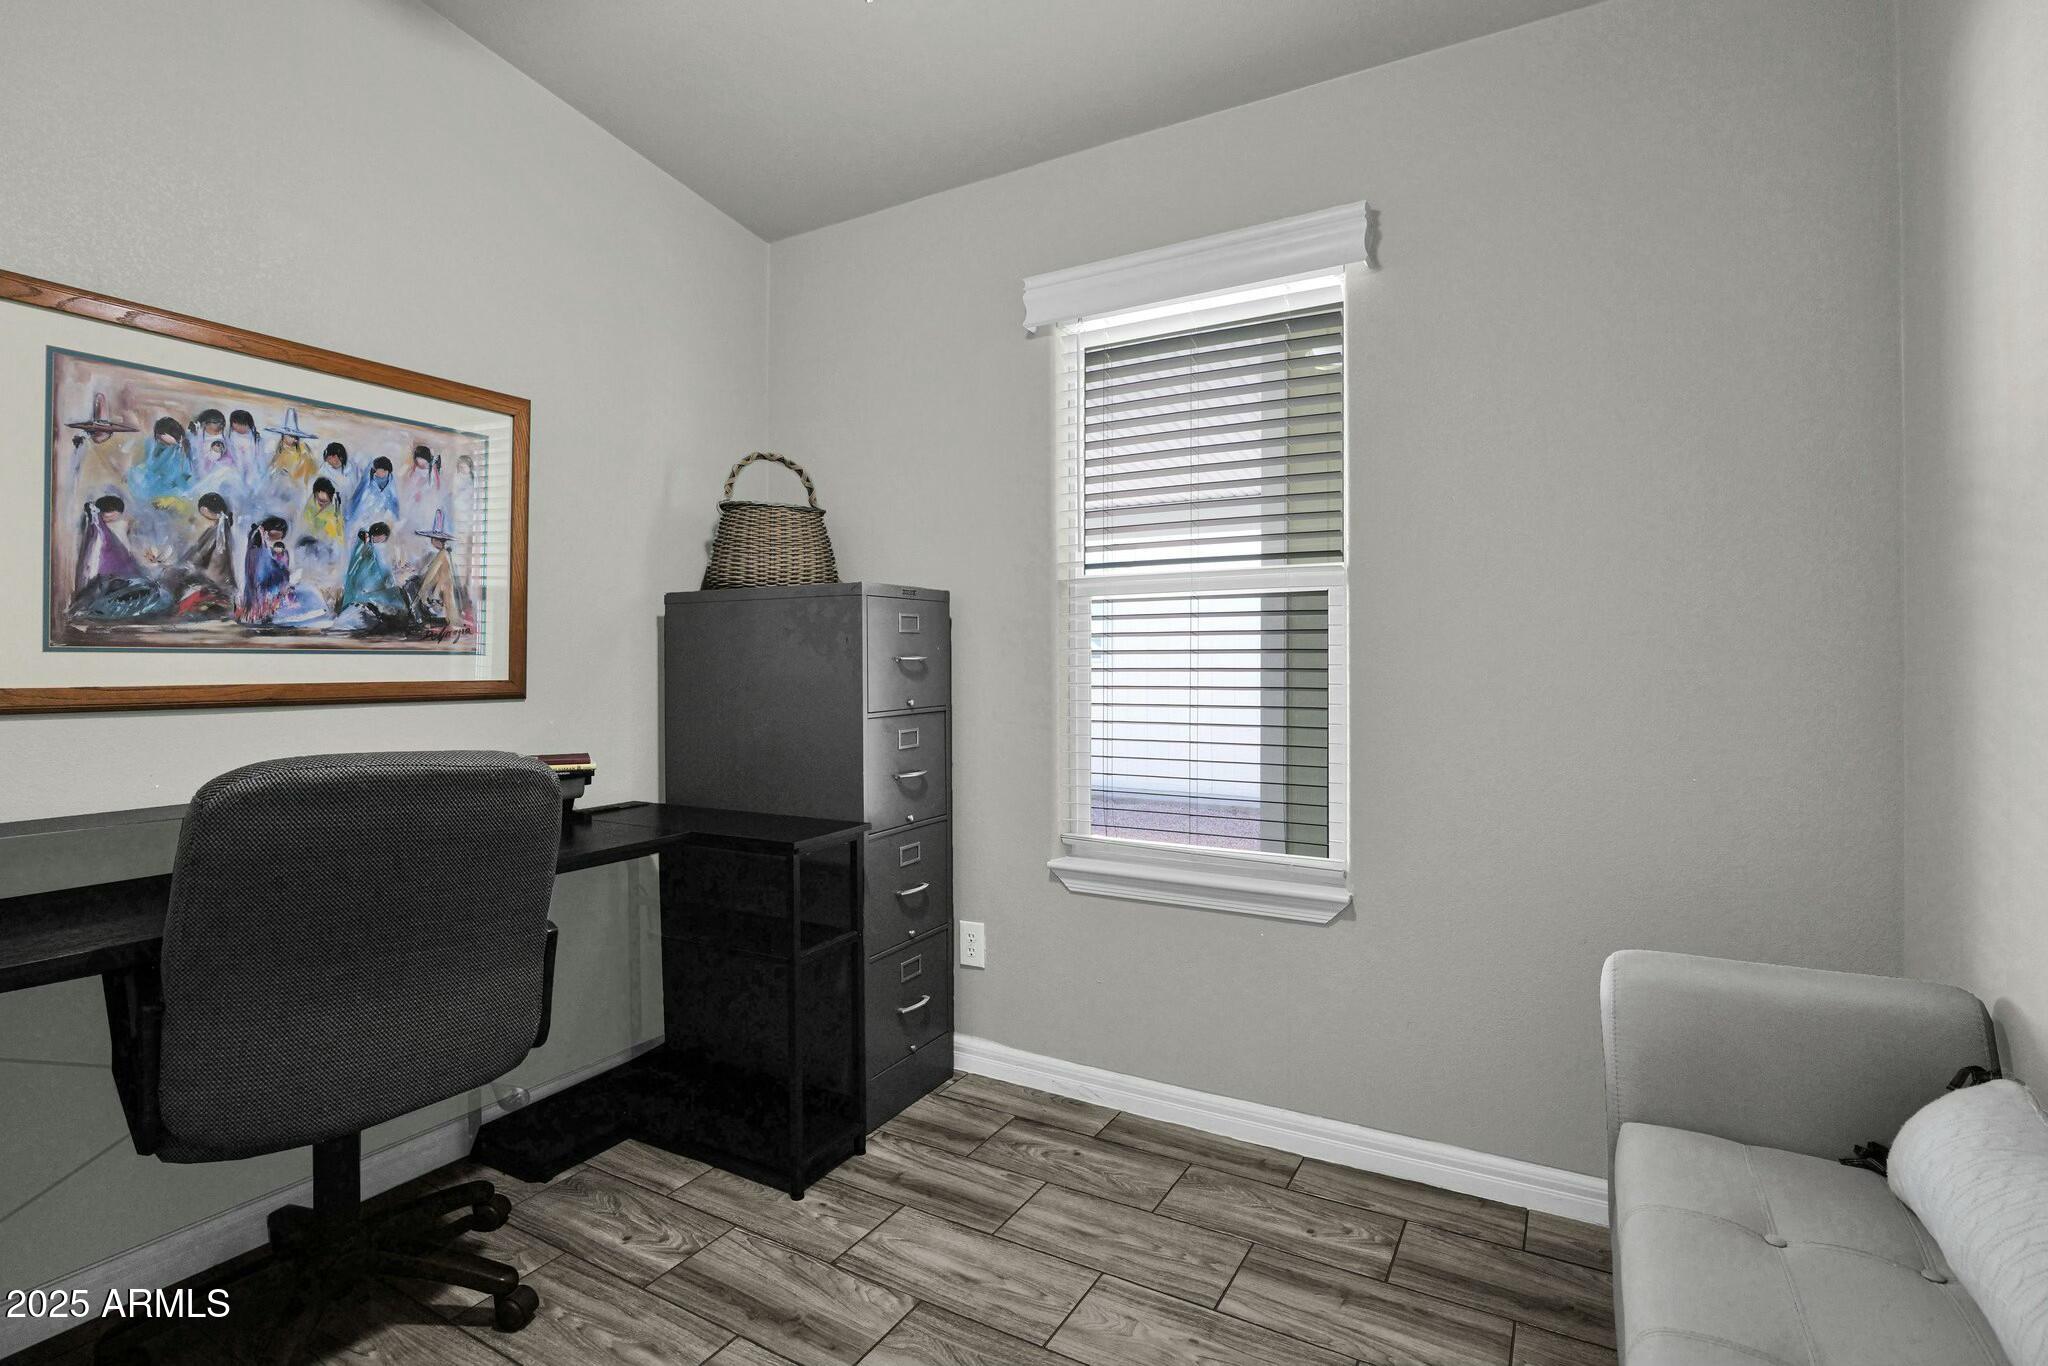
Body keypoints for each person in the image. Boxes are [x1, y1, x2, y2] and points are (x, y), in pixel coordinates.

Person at [70, 495, 172, 621]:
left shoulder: (118, 528)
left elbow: (133, 555)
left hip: (124, 580)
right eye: (108, 516)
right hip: (111, 582)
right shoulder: (99, 529)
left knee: (155, 592)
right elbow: (93, 563)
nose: (112, 519)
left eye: (115, 516)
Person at [170, 492, 238, 616]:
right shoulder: (219, 529)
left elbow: (200, 554)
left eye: (202, 511)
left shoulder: (219, 531)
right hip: (219, 583)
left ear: (206, 510)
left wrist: (184, 566)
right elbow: (196, 550)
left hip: (215, 584)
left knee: (177, 582)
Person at [403, 509, 468, 636]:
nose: (431, 541)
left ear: (437, 540)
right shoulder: (444, 554)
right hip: (440, 588)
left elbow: (432, 575)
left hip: (440, 590)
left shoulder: (442, 555)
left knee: (411, 585)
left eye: (432, 539)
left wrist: (423, 591)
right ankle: (420, 618)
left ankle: (419, 620)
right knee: (413, 583)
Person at [338, 521, 407, 621]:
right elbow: (377, 568)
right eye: (382, 538)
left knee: (391, 592)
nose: (382, 540)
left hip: (363, 587)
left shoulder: (369, 545)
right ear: (377, 535)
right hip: (362, 591)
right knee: (393, 596)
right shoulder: (367, 546)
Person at [127, 416, 195, 517]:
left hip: (173, 487)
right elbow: (150, 464)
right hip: (154, 482)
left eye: (164, 440)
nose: (160, 442)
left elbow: (183, 477)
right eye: (159, 438)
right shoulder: (153, 444)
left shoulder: (181, 452)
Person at [397, 443, 445, 530]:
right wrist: (413, 487)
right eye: (418, 459)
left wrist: (421, 491)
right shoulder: (415, 466)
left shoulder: (431, 468)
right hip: (413, 491)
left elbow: (431, 483)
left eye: (422, 459)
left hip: (425, 494)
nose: (420, 461)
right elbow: (411, 477)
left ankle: (421, 526)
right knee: (409, 507)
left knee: (421, 511)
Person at [348, 454, 400, 530]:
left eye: (384, 471)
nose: (379, 473)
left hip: (382, 516)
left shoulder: (391, 481)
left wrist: (395, 518)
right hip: (366, 514)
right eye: (378, 470)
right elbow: (359, 497)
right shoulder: (368, 480)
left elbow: (394, 502)